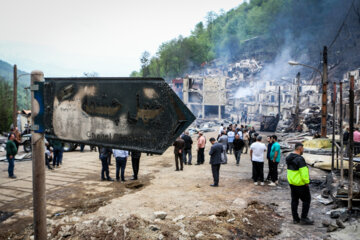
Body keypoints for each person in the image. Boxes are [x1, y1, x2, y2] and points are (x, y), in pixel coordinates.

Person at [286, 143, 313, 225]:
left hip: (292, 182)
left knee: (294, 200)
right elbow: (304, 172)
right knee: (307, 200)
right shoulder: (300, 159)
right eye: (303, 149)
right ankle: (304, 218)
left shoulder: (288, 157)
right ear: (300, 149)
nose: (303, 150)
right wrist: (307, 182)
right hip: (300, 184)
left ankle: (295, 219)